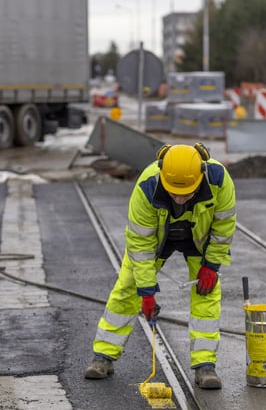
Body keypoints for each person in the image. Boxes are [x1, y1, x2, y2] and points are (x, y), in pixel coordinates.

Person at [83, 143, 237, 390]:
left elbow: (224, 226)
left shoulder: (219, 179)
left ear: (200, 176)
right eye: (174, 192)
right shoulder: (147, 185)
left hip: (200, 237)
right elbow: (140, 244)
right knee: (127, 287)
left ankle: (205, 365)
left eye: (186, 193)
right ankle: (103, 357)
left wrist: (212, 264)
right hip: (157, 239)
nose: (179, 198)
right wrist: (146, 292)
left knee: (207, 294)